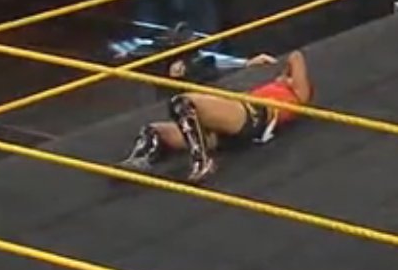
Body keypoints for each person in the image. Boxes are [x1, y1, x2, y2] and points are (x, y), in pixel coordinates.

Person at [120, 51, 313, 183]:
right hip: (229, 130)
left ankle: (202, 162)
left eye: (290, 77)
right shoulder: (273, 90)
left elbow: (296, 56)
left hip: (251, 115)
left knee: (182, 103)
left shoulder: (297, 96)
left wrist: (286, 74)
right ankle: (138, 161)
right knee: (154, 130)